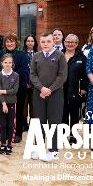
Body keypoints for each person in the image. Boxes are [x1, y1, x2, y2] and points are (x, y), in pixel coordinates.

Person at [30, 32, 67, 162]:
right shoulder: (36, 56)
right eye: (43, 42)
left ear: (53, 42)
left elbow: (62, 76)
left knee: (54, 122)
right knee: (39, 121)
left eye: (48, 41)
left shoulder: (60, 56)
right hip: (39, 93)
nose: (46, 44)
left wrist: (50, 89)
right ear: (40, 43)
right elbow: (33, 75)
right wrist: (41, 88)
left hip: (55, 94)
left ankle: (53, 151)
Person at [0, 33, 29, 143]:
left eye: (12, 41)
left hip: (18, 89)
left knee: (18, 112)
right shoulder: (0, 54)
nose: (10, 43)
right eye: (7, 41)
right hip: (2, 89)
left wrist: (11, 83)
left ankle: (17, 133)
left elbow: (23, 71)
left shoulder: (22, 54)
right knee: (4, 112)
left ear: (16, 42)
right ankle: (5, 134)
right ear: (4, 43)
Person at [62, 34, 88, 144]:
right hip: (61, 90)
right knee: (62, 114)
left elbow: (86, 74)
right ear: (64, 42)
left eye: (72, 42)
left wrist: (83, 88)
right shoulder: (59, 55)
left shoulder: (81, 57)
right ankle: (63, 135)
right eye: (68, 41)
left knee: (74, 115)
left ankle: (73, 136)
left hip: (75, 90)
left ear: (77, 44)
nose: (70, 44)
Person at [0, 54, 19, 155]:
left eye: (9, 62)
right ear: (2, 64)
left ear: (12, 64)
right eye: (5, 62)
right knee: (3, 124)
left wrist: (3, 91)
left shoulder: (16, 75)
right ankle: (3, 143)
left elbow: (14, 90)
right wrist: (3, 104)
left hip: (12, 103)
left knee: (10, 125)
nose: (7, 64)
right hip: (2, 104)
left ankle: (9, 144)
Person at [22, 34, 38, 131]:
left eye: (32, 41)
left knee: (34, 106)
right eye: (28, 41)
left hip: (35, 85)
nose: (30, 43)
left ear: (35, 43)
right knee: (24, 105)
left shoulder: (38, 54)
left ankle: (33, 124)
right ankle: (24, 124)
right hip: (24, 84)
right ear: (25, 42)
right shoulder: (22, 53)